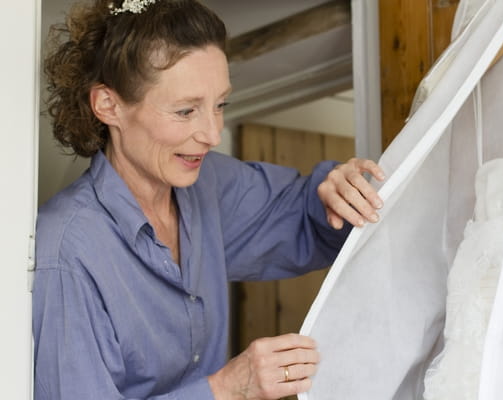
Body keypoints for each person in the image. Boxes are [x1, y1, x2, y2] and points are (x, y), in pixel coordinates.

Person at [33, 0, 385, 399]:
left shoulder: (210, 185)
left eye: (220, 105)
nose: (212, 134)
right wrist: (227, 388)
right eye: (186, 111)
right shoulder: (65, 252)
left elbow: (307, 219)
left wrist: (339, 194)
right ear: (108, 105)